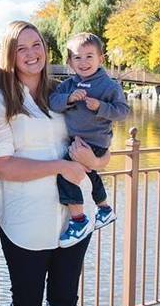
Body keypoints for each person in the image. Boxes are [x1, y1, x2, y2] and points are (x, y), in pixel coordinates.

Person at [0, 21, 110, 306]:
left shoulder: (65, 92)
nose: (31, 53)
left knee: (64, 302)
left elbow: (100, 145)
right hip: (25, 220)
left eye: (36, 45)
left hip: (73, 217)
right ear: (9, 55)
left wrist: (94, 161)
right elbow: (3, 165)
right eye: (21, 48)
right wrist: (61, 166)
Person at [50, 32, 130, 247]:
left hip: (95, 142)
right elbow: (53, 102)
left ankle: (78, 220)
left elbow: (123, 112)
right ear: (69, 61)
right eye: (77, 57)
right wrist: (68, 99)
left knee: (66, 175)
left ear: (100, 59)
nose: (83, 62)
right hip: (77, 142)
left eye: (89, 56)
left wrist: (101, 107)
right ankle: (104, 209)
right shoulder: (68, 85)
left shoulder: (109, 86)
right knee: (90, 175)